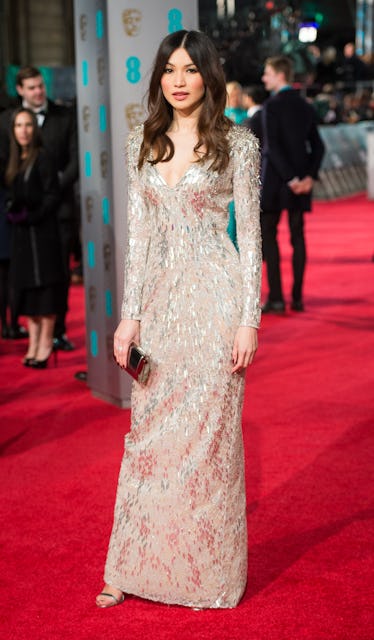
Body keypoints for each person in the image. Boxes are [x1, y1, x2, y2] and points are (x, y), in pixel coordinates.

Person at [96, 29, 262, 610]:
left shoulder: (237, 145)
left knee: (210, 442)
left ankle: (207, 576)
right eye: (170, 69)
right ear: (159, 78)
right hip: (163, 307)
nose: (180, 80)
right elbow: (138, 242)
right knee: (148, 437)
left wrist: (249, 319)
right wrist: (129, 317)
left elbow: (252, 243)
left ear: (207, 76)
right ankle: (131, 566)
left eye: (191, 69)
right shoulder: (142, 142)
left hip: (216, 304)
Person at [0, 66, 79, 351]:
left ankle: (57, 331)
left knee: (58, 272)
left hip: (59, 211)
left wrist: (52, 187)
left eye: (40, 86)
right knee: (23, 273)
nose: (38, 91)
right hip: (23, 216)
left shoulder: (64, 116)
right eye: (31, 87)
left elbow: (75, 160)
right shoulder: (7, 121)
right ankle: (25, 329)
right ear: (20, 90)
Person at [260, 56, 325, 313]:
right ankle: (297, 298)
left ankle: (276, 298)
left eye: (267, 73)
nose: (264, 78)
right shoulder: (305, 106)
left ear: (279, 75)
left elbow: (273, 148)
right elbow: (319, 146)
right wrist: (308, 176)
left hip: (277, 181)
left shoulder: (271, 106)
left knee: (269, 235)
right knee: (298, 236)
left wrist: (291, 179)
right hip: (301, 182)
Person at [3, 107, 65, 367]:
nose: (24, 130)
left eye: (28, 125)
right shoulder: (15, 160)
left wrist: (32, 214)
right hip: (22, 238)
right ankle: (33, 344)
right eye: (18, 126)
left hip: (43, 235)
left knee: (45, 291)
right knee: (27, 290)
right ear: (13, 130)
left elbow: (53, 195)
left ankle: (45, 345)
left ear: (34, 129)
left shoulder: (43, 157)